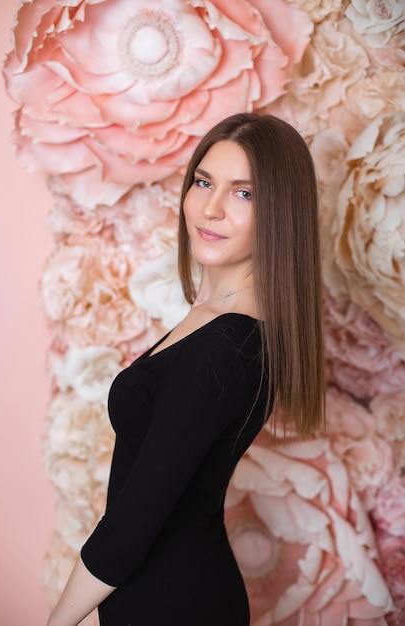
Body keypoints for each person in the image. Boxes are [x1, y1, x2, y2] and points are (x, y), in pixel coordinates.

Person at [47, 112, 325, 626]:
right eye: (204, 182)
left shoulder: (226, 347)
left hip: (172, 603)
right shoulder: (215, 323)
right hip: (167, 592)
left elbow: (130, 528)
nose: (211, 208)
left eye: (245, 194)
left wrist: (56, 622)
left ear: (281, 213)